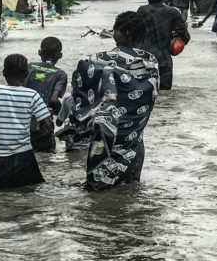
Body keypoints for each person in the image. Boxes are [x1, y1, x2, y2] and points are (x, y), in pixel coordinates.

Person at [57, 12, 159, 190]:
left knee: (97, 190)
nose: (113, 32)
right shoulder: (151, 61)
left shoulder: (98, 59)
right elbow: (149, 95)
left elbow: (82, 92)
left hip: (104, 139)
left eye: (116, 29)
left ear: (125, 32)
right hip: (134, 142)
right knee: (130, 190)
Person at [0, 54, 53, 189]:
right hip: (24, 158)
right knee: (26, 193)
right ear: (27, 73)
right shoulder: (32, 95)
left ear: (4, 73)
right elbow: (49, 126)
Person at [137, 0, 191, 90]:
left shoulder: (141, 11)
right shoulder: (172, 12)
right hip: (164, 59)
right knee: (166, 94)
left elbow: (134, 34)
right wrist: (175, 40)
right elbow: (185, 36)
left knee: (144, 92)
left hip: (144, 59)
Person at [25, 37, 67, 152]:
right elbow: (53, 100)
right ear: (60, 55)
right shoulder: (60, 74)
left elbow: (21, 89)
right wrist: (61, 114)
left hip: (25, 122)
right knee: (46, 160)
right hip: (44, 124)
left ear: (39, 52)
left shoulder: (30, 67)